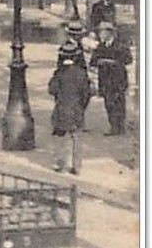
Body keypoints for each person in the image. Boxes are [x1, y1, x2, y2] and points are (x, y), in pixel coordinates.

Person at [48, 41, 92, 175]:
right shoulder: (81, 74)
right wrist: (81, 106)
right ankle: (76, 166)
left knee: (60, 138)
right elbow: (86, 94)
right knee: (77, 138)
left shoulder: (59, 73)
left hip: (61, 109)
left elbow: (52, 89)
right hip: (77, 109)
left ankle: (60, 164)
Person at [90, 22, 133, 138]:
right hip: (105, 80)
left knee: (119, 102)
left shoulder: (120, 45)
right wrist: (100, 62)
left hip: (118, 80)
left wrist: (112, 63)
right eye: (100, 31)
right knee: (108, 103)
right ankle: (113, 126)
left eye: (102, 31)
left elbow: (128, 59)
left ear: (110, 32)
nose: (100, 34)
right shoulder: (100, 46)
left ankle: (120, 126)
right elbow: (93, 61)